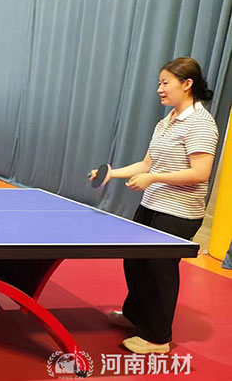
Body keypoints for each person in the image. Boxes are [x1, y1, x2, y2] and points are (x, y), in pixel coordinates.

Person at [89, 57, 218, 354]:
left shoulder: (200, 123)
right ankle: (136, 316)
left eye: (165, 83)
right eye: (159, 83)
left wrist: (154, 178)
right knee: (135, 262)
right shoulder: (165, 122)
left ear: (187, 84)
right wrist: (111, 173)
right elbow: (147, 164)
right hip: (152, 204)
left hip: (179, 212)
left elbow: (201, 173)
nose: (159, 89)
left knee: (160, 270)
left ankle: (158, 338)